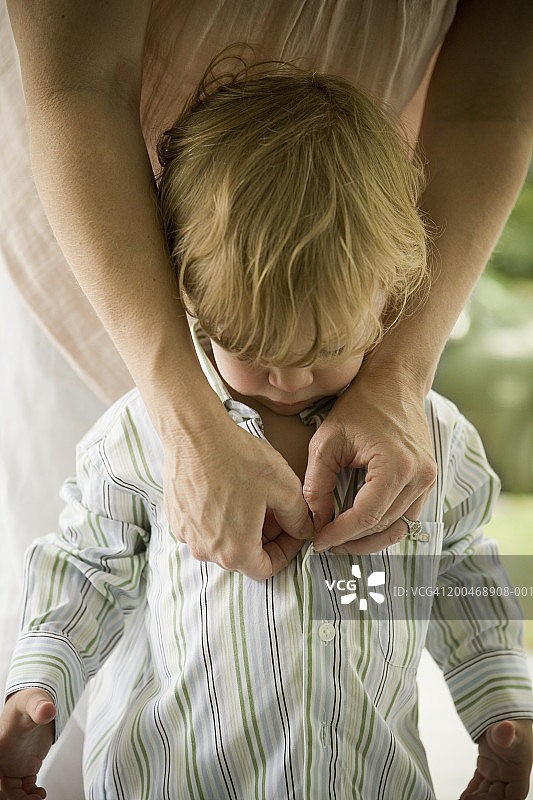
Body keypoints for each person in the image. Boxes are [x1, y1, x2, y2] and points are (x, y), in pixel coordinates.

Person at [1, 63, 532, 800]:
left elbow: (458, 577)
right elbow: (86, 572)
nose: (285, 380)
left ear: (391, 293)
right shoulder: (142, 436)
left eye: (319, 354)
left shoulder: (432, 445)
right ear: (187, 292)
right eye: (247, 349)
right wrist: (37, 685)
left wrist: (503, 707)